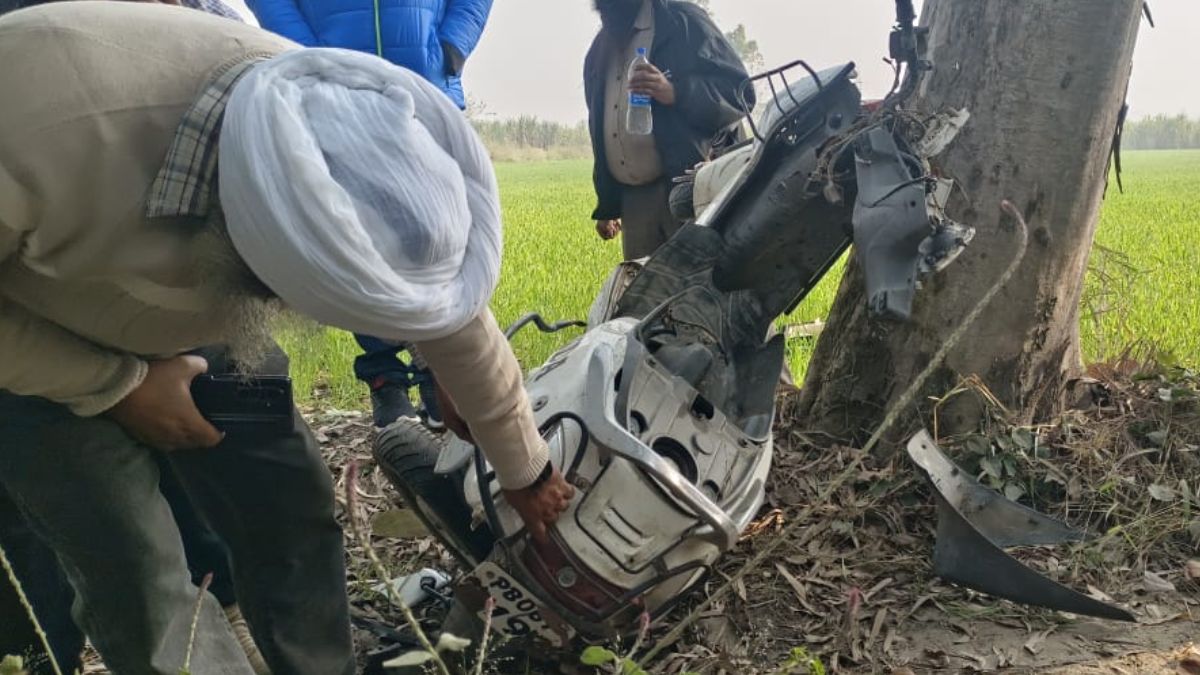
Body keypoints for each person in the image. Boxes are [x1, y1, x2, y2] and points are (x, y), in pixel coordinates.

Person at [0, 3, 572, 674]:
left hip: (201, 318)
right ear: (247, 234)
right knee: (134, 566)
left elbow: (448, 303)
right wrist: (119, 386)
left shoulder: (335, 119)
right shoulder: (32, 119)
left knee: (290, 506)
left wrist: (526, 471)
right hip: (35, 347)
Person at [246, 0, 495, 430]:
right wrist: (306, 50)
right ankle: (385, 377)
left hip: (425, 86)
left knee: (443, 233)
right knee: (358, 237)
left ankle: (443, 370)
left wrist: (451, 46)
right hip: (331, 92)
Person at [585, 0, 754, 261]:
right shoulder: (600, 48)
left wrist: (675, 92)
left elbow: (740, 93)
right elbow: (600, 126)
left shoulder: (682, 21)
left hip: (688, 193)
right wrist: (607, 204)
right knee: (643, 285)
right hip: (635, 204)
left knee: (696, 280)